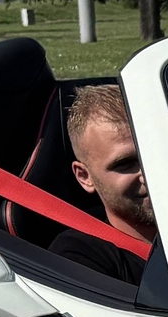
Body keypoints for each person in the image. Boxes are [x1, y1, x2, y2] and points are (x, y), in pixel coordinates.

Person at [51, 83, 156, 283]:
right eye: (125, 164)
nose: (148, 175)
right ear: (85, 177)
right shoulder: (80, 255)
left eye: (154, 155)